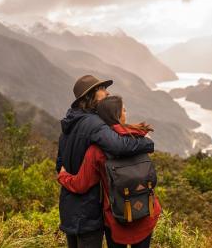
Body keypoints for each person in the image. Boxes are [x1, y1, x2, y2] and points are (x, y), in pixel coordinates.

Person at [57, 76, 154, 248]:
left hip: (69, 206)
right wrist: (147, 142)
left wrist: (64, 176)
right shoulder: (94, 124)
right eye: (102, 88)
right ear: (91, 95)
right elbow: (118, 146)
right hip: (88, 210)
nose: (107, 92)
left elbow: (60, 164)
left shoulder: (69, 123)